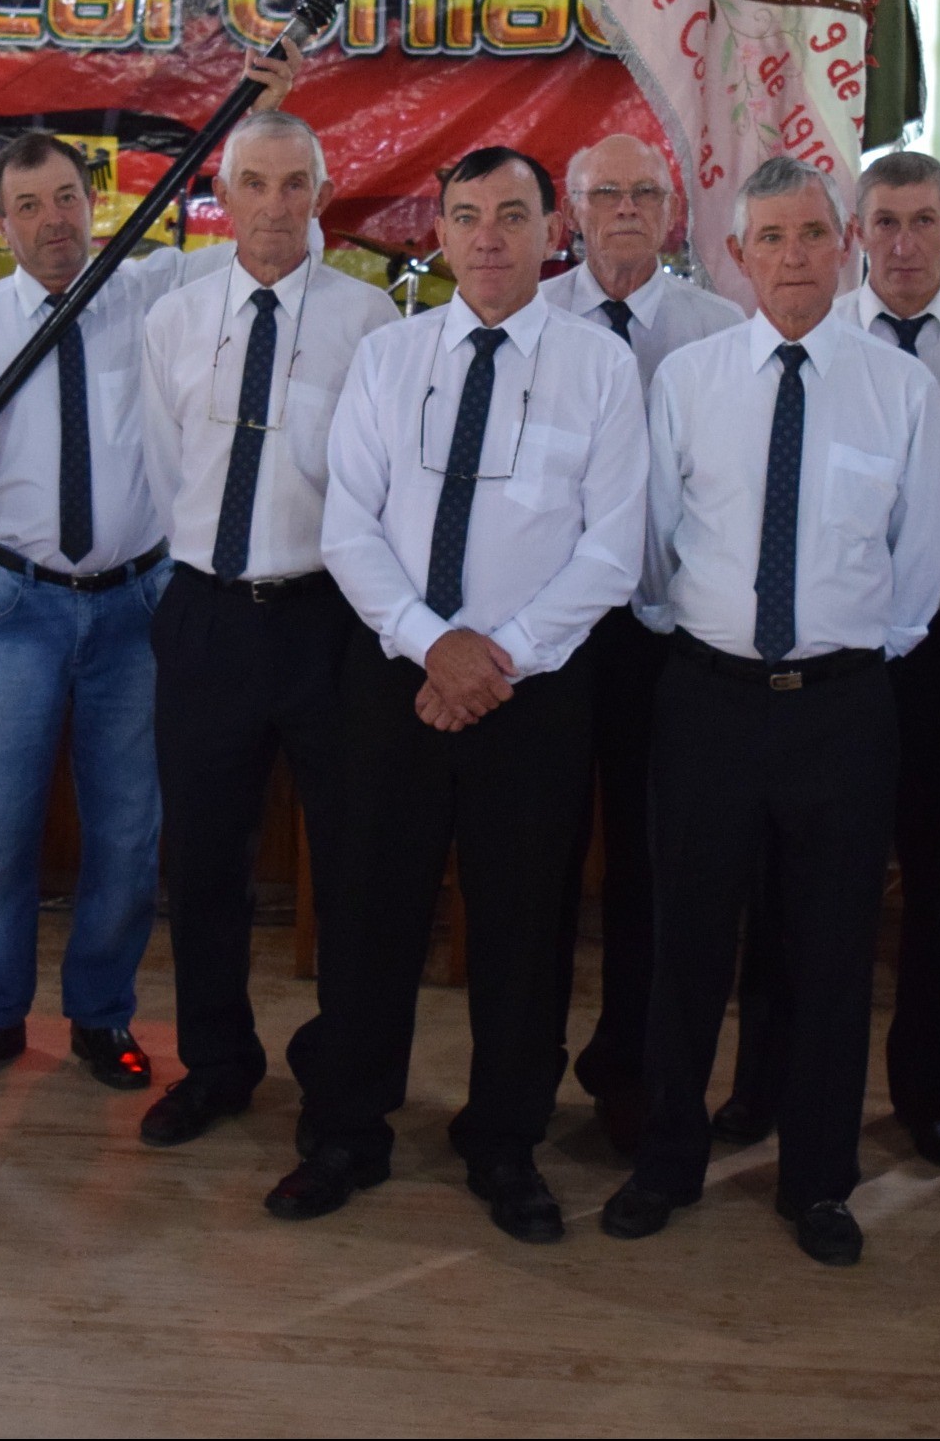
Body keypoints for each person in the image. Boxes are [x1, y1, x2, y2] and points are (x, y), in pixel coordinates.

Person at [0, 47, 298, 1094]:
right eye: (28, 205)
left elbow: (257, 228)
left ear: (95, 200)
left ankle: (100, 1013)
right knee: (0, 823)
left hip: (137, 604)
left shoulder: (156, 293)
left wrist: (264, 112)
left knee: (128, 825)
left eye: (68, 197)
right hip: (15, 599)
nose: (54, 220)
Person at [267, 146, 646, 1243]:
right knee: (369, 911)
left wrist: (498, 659)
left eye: (512, 215)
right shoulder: (390, 358)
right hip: (396, 679)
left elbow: (612, 549)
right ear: (438, 231)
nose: (488, 237)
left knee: (525, 928)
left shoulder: (599, 368)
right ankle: (345, 1129)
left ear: (548, 232)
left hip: (534, 695)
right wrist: (435, 647)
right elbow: (351, 524)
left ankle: (505, 1141)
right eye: (468, 215)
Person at [599, 155, 940, 1268]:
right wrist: (700, 637)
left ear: (842, 243)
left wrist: (839, 658)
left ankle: (819, 1181)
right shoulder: (688, 380)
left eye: (812, 234)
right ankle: (666, 1160)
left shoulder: (900, 388)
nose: (794, 257)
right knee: (685, 946)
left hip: (844, 709)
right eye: (771, 238)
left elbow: (918, 568)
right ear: (737, 253)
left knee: (834, 954)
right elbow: (651, 550)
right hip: (706, 700)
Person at [714, 147, 940, 1169]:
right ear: (856, 233)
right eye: (882, 221)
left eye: (921, 220)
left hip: (936, 649)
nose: (901, 242)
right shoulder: (807, 332)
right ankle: (763, 1079)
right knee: (777, 877)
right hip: (821, 652)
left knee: (932, 877)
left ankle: (928, 1087)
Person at [136, 107, 396, 1149]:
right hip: (205, 616)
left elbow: (376, 491)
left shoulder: (371, 323)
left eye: (296, 185)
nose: (276, 206)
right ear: (223, 194)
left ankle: (341, 1071)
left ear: (323, 196)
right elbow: (170, 473)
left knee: (349, 860)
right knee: (202, 861)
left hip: (328, 621)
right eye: (256, 183)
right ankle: (214, 1061)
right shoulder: (175, 320)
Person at [545, 130, 742, 1151]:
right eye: (604, 190)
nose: (625, 207)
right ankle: (525, 1067)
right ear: (570, 211)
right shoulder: (528, 320)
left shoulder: (723, 327)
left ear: (673, 210)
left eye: (644, 192)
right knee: (537, 856)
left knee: (649, 868)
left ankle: (631, 1069)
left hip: (665, 636)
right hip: (547, 637)